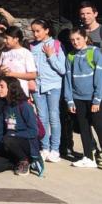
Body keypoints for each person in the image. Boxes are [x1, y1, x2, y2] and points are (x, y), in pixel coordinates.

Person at [65, 28, 102, 174]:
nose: (75, 42)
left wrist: (97, 99)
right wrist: (69, 100)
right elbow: (68, 80)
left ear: (85, 38)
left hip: (95, 99)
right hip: (78, 99)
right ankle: (88, 157)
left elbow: (101, 78)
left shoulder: (94, 52)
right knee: (84, 129)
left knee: (101, 129)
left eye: (78, 39)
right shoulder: (70, 56)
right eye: (72, 40)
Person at [0, 75, 39, 175]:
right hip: (8, 143)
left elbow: (34, 131)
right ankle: (15, 163)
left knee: (8, 139)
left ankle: (25, 161)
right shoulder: (5, 106)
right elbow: (1, 131)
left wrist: (14, 135)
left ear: (11, 88)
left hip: (24, 143)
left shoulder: (25, 106)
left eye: (2, 86)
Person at [29, 19, 66, 163]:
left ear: (47, 30)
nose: (35, 34)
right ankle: (45, 147)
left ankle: (55, 149)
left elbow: (62, 69)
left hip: (53, 86)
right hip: (37, 87)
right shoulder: (32, 47)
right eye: (33, 31)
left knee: (54, 117)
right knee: (42, 118)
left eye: (38, 30)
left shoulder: (56, 45)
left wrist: (51, 55)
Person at [0, 27, 37, 96]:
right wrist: (1, 71)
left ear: (16, 39)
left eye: (7, 38)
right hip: (5, 92)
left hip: (20, 91)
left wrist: (12, 74)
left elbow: (33, 75)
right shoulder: (4, 52)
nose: (4, 41)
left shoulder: (26, 53)